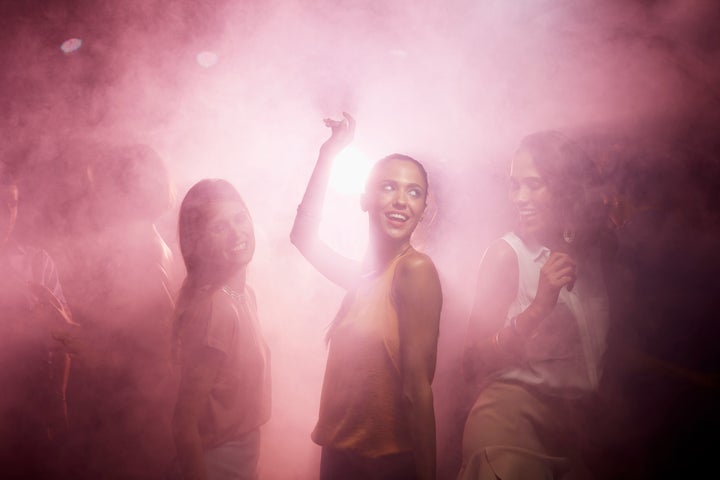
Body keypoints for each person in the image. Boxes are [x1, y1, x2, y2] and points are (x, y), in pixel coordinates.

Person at [291, 113, 442, 480]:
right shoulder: (365, 276)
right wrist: (329, 154)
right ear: (365, 199)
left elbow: (417, 391)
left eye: (414, 192)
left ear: (423, 211)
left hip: (384, 466)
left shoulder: (415, 270)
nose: (402, 200)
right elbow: (302, 236)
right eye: (389, 187)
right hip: (340, 459)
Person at [458, 130, 614, 479]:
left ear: (566, 188)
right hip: (510, 432)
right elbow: (470, 362)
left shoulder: (596, 255)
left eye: (535, 184)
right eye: (515, 185)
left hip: (573, 437)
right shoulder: (507, 255)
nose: (520, 197)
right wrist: (537, 310)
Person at [171, 179, 271, 480]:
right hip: (214, 465)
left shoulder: (243, 295)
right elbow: (183, 424)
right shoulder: (218, 309)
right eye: (220, 227)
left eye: (240, 218)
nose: (237, 233)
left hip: (240, 460)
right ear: (199, 241)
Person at [0, 163, 78, 479]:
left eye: (12, 203)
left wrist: (58, 398)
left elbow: (62, 338)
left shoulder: (36, 261)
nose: (7, 214)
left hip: (32, 405)